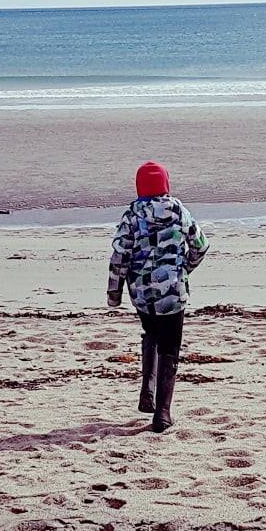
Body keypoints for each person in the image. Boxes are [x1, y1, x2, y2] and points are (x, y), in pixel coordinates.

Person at [107, 161, 209, 433]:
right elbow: (201, 245)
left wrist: (114, 293)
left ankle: (147, 393)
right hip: (173, 291)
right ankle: (162, 412)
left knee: (150, 331)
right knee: (171, 345)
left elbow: (120, 256)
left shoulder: (132, 215)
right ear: (166, 184)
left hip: (141, 293)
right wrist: (184, 268)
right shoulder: (178, 210)